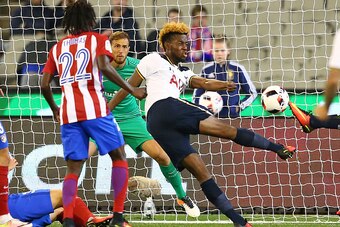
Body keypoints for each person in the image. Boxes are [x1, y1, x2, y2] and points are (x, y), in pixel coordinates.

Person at [110, 22, 297, 227]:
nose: (186, 47)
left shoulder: (183, 71)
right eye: (180, 43)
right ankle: (278, 148)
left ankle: (239, 222)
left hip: (159, 126)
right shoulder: (153, 59)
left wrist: (224, 85)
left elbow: (204, 83)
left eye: (187, 44)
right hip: (166, 108)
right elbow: (129, 86)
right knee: (228, 131)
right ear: (166, 45)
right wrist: (108, 108)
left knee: (201, 172)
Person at [41, 1, 145, 227]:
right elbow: (104, 66)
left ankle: (68, 220)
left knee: (73, 170)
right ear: (90, 20)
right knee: (119, 157)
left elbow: (44, 84)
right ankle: (118, 217)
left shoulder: (57, 47)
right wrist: (132, 89)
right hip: (95, 109)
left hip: (69, 114)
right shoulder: (98, 40)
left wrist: (55, 109)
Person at [89, 31, 199, 218]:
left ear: (129, 49)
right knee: (80, 156)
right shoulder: (98, 66)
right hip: (104, 120)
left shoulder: (138, 65)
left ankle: (182, 197)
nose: (121, 51)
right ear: (109, 47)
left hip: (132, 119)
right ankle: (69, 203)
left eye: (125, 47)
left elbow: (159, 80)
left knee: (163, 157)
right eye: (117, 46)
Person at [193, 35, 257, 118]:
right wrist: (201, 110)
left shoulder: (237, 68)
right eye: (216, 50)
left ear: (228, 51)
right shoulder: (206, 70)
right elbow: (196, 96)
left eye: (222, 50)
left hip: (233, 117)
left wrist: (239, 107)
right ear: (212, 51)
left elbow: (252, 93)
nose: (219, 53)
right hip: (211, 118)